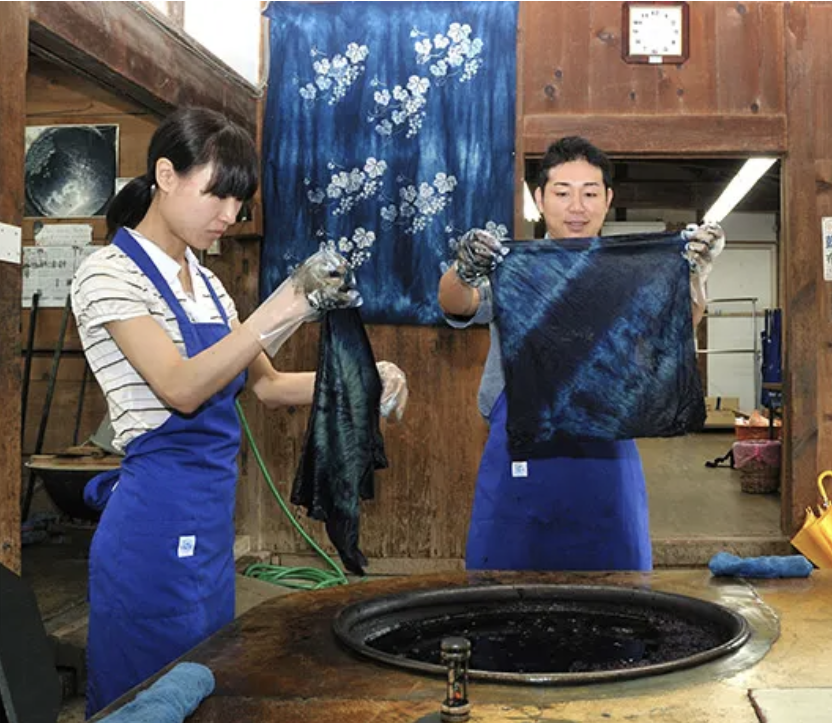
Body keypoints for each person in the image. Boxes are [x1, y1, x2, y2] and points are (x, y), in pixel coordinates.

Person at [71, 107, 408, 717]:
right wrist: (281, 307)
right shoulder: (107, 274)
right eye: (217, 195)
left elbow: (269, 386)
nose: (229, 215)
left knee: (208, 687)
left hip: (209, 527)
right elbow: (181, 387)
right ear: (166, 175)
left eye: (239, 201)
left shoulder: (206, 282)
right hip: (151, 527)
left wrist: (364, 380)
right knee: (142, 698)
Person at [437, 136, 724, 572]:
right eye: (562, 193)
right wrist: (464, 269)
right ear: (540, 199)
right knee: (506, 578)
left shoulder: (631, 271)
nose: (577, 206)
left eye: (590, 193)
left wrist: (696, 276)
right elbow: (456, 303)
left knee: (615, 580)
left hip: (607, 440)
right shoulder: (514, 268)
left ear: (608, 199)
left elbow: (677, 324)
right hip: (521, 440)